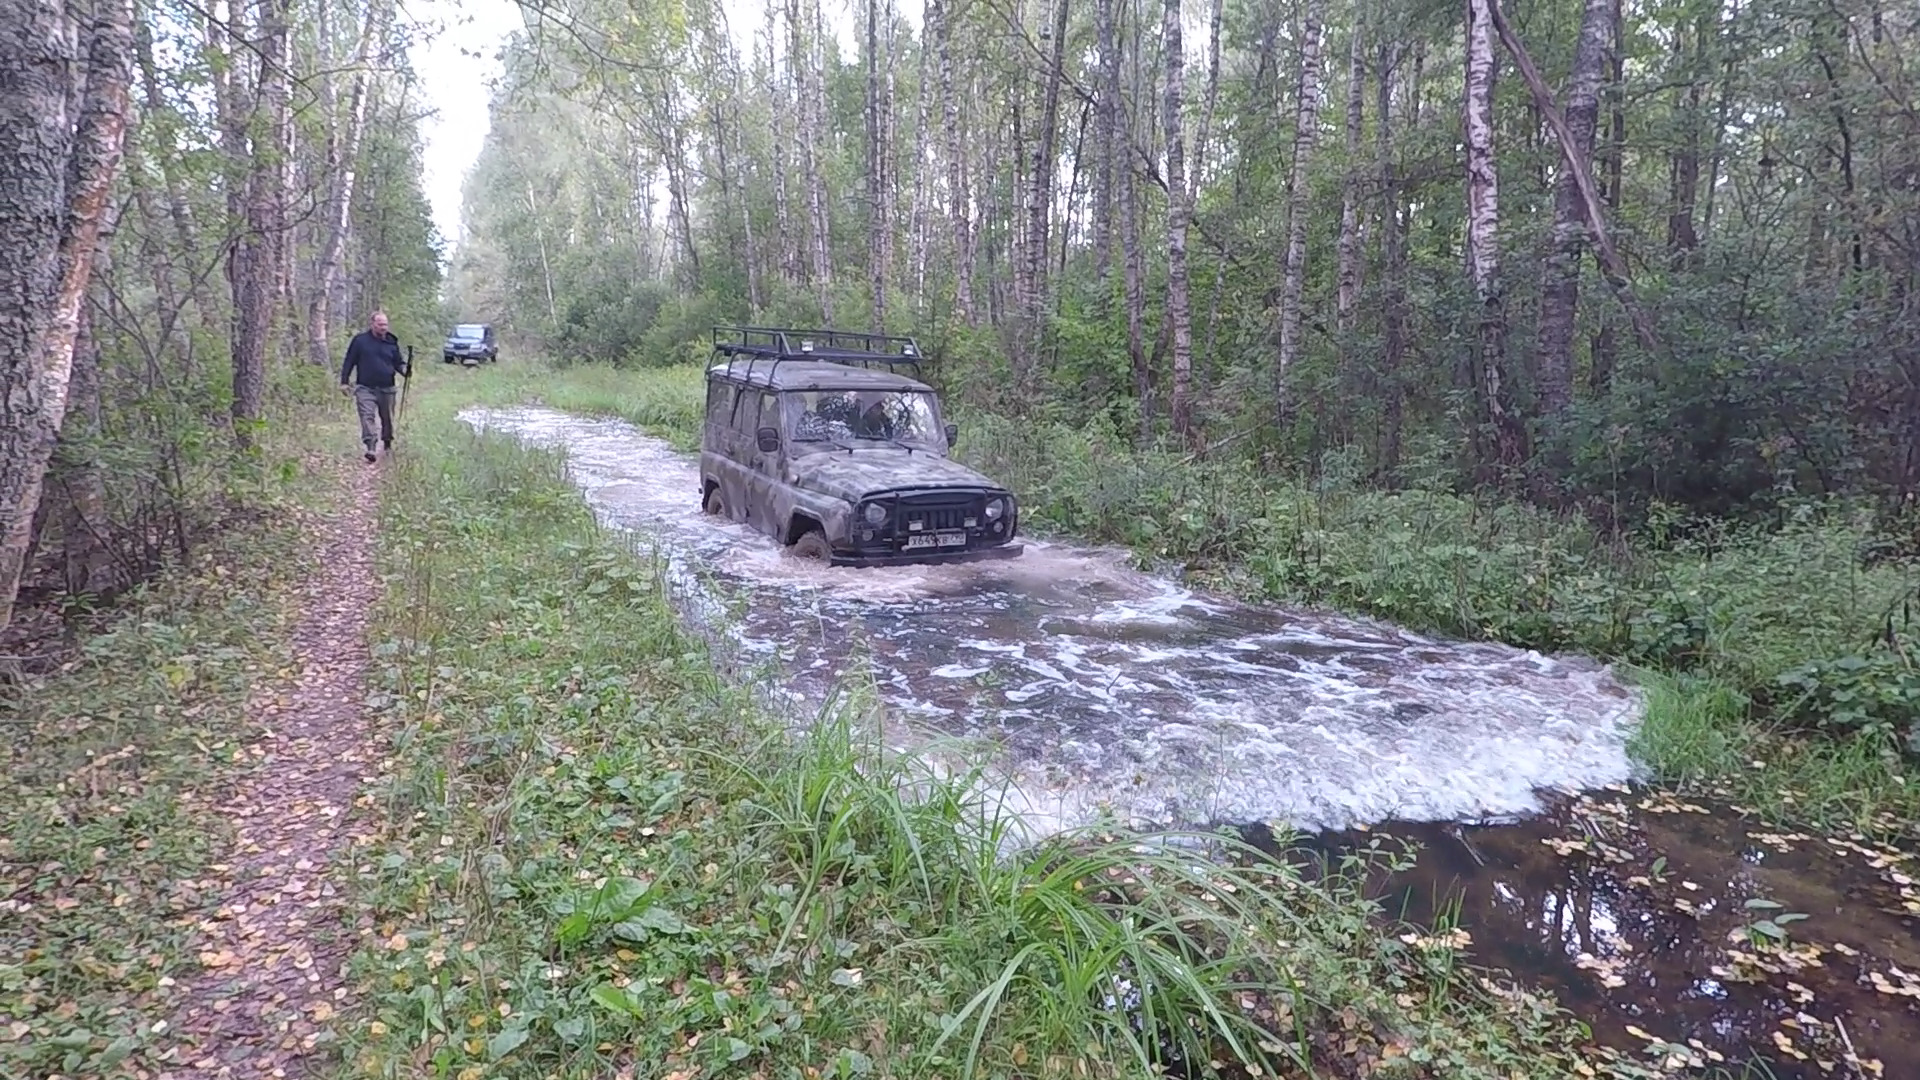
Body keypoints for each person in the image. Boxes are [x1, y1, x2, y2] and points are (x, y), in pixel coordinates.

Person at [338, 310, 410, 462]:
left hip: (387, 387)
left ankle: (387, 444)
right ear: (372, 324)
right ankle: (371, 447)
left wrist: (405, 370)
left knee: (387, 418)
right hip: (365, 387)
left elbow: (398, 362)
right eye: (380, 324)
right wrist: (344, 382)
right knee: (367, 416)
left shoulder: (391, 341)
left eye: (385, 324)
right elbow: (349, 361)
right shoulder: (360, 341)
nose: (384, 327)